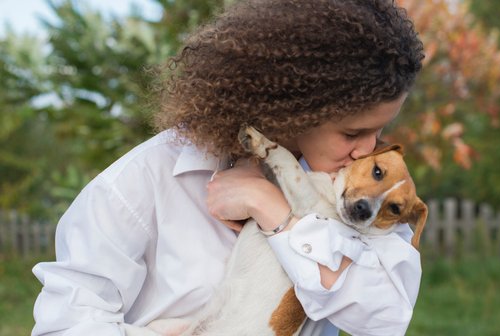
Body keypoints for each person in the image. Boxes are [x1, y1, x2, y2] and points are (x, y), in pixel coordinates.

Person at [31, 0, 425, 335]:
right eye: (353, 132)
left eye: (379, 130)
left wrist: (275, 213)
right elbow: (66, 322)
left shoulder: (358, 193)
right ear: (298, 107)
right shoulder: (142, 182)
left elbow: (386, 317)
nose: (368, 150)